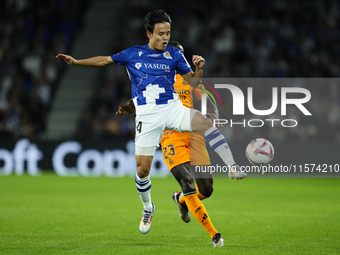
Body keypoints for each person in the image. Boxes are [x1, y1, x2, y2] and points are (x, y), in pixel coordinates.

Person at [56, 10, 246, 247]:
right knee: (143, 171)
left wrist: (199, 68)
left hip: (171, 109)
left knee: (205, 126)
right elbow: (105, 60)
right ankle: (148, 207)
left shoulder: (174, 55)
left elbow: (195, 84)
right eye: (161, 33)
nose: (165, 37)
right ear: (149, 33)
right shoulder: (133, 54)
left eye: (168, 33)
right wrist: (76, 62)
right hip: (148, 116)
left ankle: (232, 166)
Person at [116, 40, 236, 247]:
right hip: (171, 137)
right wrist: (129, 106)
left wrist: (213, 117)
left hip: (194, 136)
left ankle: (180, 200)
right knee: (187, 182)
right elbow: (142, 100)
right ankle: (214, 234)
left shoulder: (189, 80)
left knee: (206, 189)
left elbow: (208, 98)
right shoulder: (156, 80)